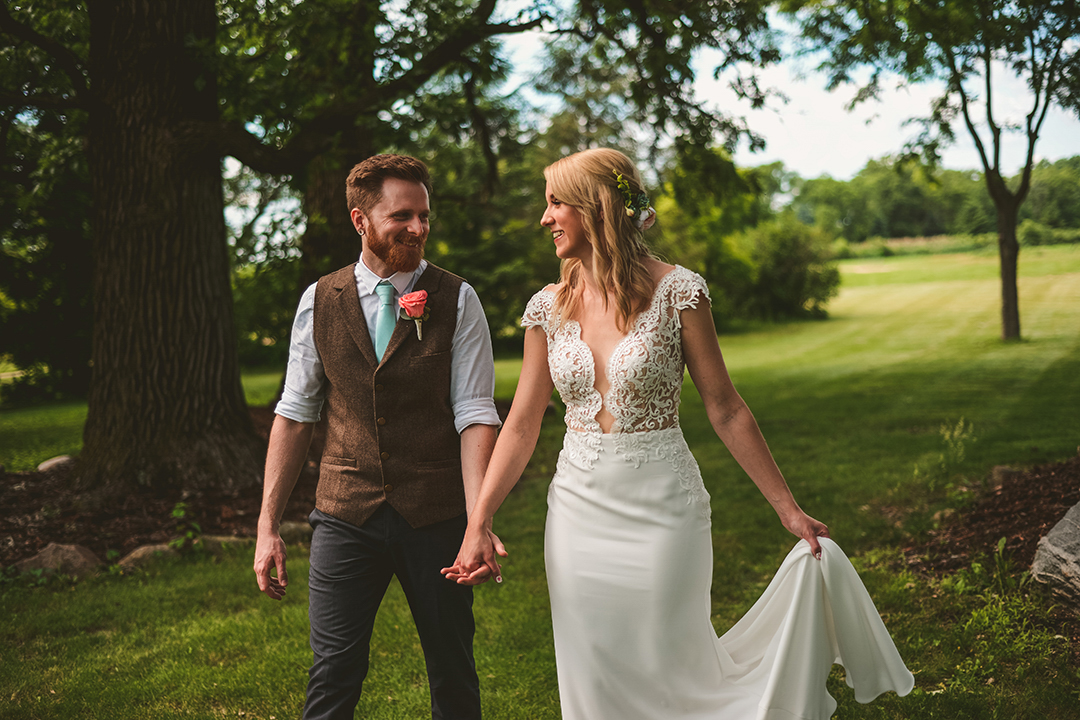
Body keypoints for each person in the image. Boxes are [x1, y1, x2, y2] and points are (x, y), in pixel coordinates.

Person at [443, 148, 914, 719]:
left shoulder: (679, 292)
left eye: (555, 203)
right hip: (576, 513)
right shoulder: (548, 307)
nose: (545, 218)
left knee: (668, 664)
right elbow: (520, 423)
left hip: (664, 508)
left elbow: (726, 408)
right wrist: (480, 521)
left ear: (596, 208)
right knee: (591, 664)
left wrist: (787, 508)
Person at [254, 154, 502, 720]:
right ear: (360, 220)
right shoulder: (319, 300)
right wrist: (268, 526)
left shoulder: (458, 298)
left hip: (436, 516)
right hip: (345, 514)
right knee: (334, 670)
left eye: (424, 216)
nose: (417, 229)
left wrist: (477, 520)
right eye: (402, 217)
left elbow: (475, 413)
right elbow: (295, 413)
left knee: (452, 668)